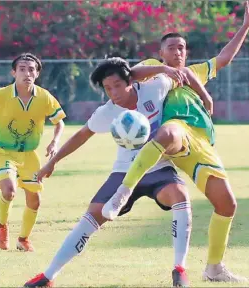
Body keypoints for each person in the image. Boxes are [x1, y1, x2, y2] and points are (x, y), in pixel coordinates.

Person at [24, 57, 213, 287]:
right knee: (91, 216)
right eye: (107, 88)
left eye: (117, 85)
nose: (113, 92)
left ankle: (180, 270)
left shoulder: (155, 88)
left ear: (130, 80)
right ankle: (48, 276)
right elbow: (81, 135)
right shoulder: (107, 112)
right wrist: (52, 162)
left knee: (180, 197)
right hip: (123, 172)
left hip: (158, 168)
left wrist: (204, 97)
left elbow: (180, 73)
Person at [102, 1, 249, 282]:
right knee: (170, 132)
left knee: (227, 204)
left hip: (201, 143)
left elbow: (223, 58)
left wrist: (244, 27)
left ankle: (214, 267)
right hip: (176, 130)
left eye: (182, 47)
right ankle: (124, 191)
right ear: (160, 52)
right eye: (171, 47)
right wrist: (163, 69)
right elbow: (128, 75)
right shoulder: (153, 67)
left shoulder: (195, 72)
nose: (177, 51)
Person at [0, 53, 66, 252]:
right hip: (4, 152)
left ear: (37, 73)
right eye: (22, 69)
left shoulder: (45, 97)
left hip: (29, 155)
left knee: (34, 200)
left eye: (31, 69)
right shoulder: (1, 94)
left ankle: (23, 240)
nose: (27, 73)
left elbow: (59, 122)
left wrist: (54, 142)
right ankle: (2, 226)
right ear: (14, 72)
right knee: (9, 191)